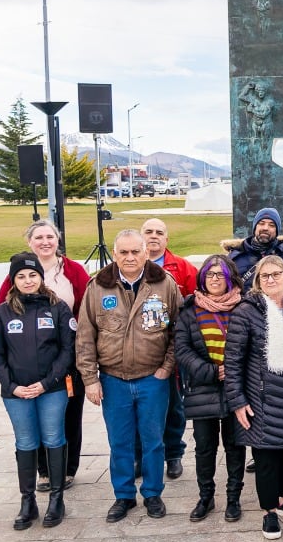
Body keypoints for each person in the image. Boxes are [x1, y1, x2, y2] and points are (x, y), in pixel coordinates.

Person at [76, 229, 183, 523]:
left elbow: (179, 331)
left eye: (136, 251)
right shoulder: (98, 286)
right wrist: (90, 379)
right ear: (115, 254)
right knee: (120, 442)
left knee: (153, 441)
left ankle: (152, 493)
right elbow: (85, 336)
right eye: (123, 252)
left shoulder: (164, 284)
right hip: (113, 380)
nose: (130, 258)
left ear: (146, 253)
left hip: (153, 378)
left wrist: (166, 368)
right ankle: (124, 496)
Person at [224, 255, 283, 540]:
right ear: (258, 281)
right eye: (265, 276)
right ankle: (269, 513)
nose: (271, 280)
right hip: (262, 400)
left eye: (277, 274)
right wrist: (238, 401)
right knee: (266, 459)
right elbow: (233, 360)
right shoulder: (246, 312)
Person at [0, 219, 90, 491]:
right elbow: (2, 309)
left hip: (66, 355)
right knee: (32, 416)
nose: (45, 242)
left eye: (50, 236)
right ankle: (43, 471)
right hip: (26, 359)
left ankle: (67, 468)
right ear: (29, 242)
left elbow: (86, 308)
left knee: (69, 413)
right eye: (39, 237)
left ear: (58, 240)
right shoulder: (19, 270)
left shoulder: (73, 271)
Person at [0, 252, 75, 530]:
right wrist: (12, 387)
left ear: (41, 277)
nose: (28, 280)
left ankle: (56, 499)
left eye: (33, 275)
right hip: (17, 393)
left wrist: (47, 382)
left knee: (53, 437)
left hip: (51, 388)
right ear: (13, 280)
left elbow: (67, 350)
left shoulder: (57, 308)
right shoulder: (3, 312)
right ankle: (28, 502)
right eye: (21, 276)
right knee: (25, 442)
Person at [175, 255, 247, 523]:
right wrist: (211, 371)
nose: (214, 279)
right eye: (210, 274)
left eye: (220, 274)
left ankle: (233, 498)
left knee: (234, 445)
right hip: (202, 388)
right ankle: (206, 496)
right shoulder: (190, 309)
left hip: (235, 388)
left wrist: (234, 371)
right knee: (205, 447)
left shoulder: (244, 306)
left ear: (231, 278)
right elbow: (182, 349)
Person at [141, 218, 195, 482]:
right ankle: (141, 455)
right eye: (148, 232)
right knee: (139, 410)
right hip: (137, 353)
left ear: (166, 239)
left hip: (171, 351)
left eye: (159, 232)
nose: (153, 236)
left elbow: (199, 299)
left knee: (174, 408)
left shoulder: (182, 268)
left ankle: (173, 454)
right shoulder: (124, 268)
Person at [223, 207, 283, 291]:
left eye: (271, 225)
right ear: (255, 228)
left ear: (277, 231)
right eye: (261, 223)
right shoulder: (234, 258)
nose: (265, 228)